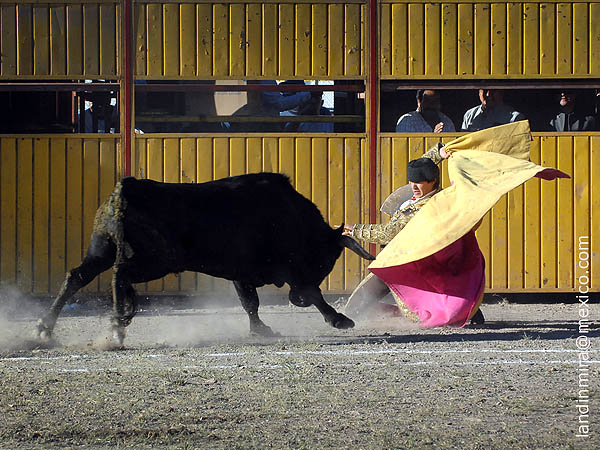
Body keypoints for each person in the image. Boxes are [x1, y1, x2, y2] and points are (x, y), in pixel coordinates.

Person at [343, 143, 487, 324]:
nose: (413, 186)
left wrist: (355, 230)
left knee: (386, 281)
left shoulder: (423, 209)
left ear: (432, 181)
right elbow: (421, 166)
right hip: (422, 256)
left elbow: (388, 233)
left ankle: (350, 318)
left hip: (414, 260)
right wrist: (438, 153)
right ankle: (471, 313)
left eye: (419, 182)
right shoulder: (435, 195)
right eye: (411, 181)